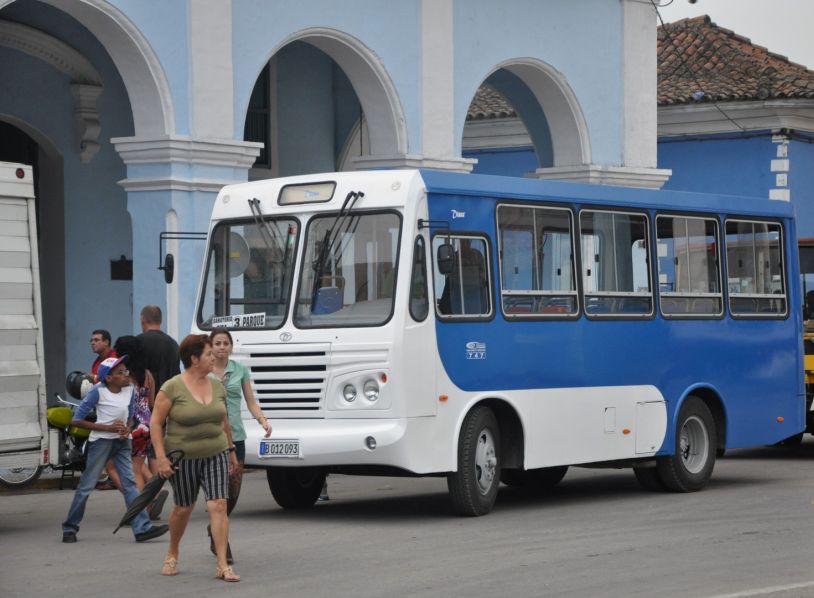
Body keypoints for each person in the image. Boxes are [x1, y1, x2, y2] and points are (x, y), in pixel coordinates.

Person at [151, 334, 241, 582]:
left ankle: (222, 565)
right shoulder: (172, 387)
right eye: (209, 354)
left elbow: (224, 421)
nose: (214, 358)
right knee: (183, 508)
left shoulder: (217, 385)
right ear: (194, 359)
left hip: (216, 453)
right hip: (184, 457)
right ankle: (172, 552)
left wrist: (231, 451)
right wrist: (161, 457)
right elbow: (156, 423)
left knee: (218, 505)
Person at [61, 355, 169, 544]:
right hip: (101, 442)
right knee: (86, 486)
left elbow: (132, 414)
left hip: (122, 441)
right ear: (109, 378)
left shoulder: (130, 391)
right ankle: (70, 528)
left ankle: (142, 528)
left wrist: (128, 427)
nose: (126, 375)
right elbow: (77, 419)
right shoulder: (97, 392)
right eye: (120, 373)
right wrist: (107, 428)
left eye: (126, 371)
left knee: (130, 485)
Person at [208, 330, 271, 556]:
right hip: (212, 438)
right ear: (211, 346)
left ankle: (213, 529)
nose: (222, 347)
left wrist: (262, 419)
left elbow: (251, 401)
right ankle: (221, 543)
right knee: (219, 497)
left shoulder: (240, 370)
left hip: (236, 437)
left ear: (231, 347)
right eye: (217, 343)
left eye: (226, 343)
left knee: (232, 494)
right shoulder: (203, 372)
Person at [114, 335, 168, 520]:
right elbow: (152, 402)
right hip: (147, 423)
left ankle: (141, 510)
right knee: (139, 466)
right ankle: (152, 496)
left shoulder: (124, 376)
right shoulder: (148, 375)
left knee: (133, 470)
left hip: (132, 424)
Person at [88, 329, 122, 493]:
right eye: (91, 340)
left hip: (114, 412)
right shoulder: (96, 362)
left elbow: (114, 382)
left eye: (96, 340)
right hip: (104, 410)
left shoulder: (114, 359)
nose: (93, 343)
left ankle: (141, 499)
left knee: (111, 459)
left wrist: (94, 379)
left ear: (107, 342)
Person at [137, 305, 181, 392]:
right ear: (160, 320)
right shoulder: (173, 344)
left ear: (142, 320)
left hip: (146, 401)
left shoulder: (137, 342)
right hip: (169, 398)